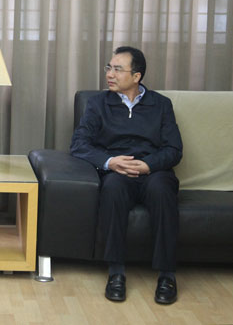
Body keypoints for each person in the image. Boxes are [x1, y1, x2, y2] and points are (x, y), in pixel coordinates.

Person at [70, 46, 182, 305]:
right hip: (117, 170)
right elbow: (79, 144)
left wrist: (147, 165)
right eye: (109, 68)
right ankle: (116, 273)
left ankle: (167, 275)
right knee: (112, 188)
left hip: (153, 171)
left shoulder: (161, 105)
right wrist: (110, 162)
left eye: (118, 69)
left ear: (136, 76)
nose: (110, 74)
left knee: (162, 190)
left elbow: (174, 149)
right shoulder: (98, 104)